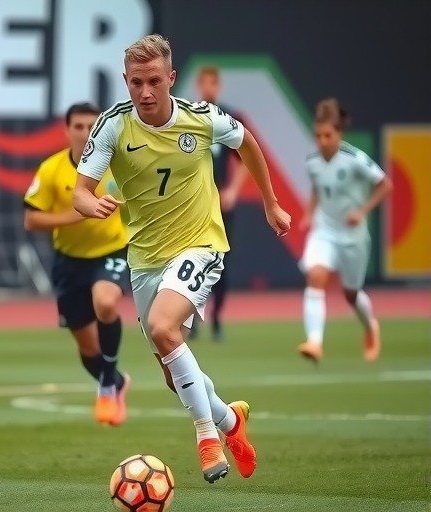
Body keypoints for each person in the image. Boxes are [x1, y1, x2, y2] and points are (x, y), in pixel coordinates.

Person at [73, 34, 291, 483]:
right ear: (126, 81)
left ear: (171, 78)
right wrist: (90, 204)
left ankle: (207, 437)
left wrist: (270, 203)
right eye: (136, 82)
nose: (145, 92)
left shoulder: (201, 118)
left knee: (162, 327)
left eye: (154, 81)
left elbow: (247, 142)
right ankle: (230, 420)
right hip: (145, 259)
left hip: (200, 244)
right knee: (174, 374)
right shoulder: (113, 125)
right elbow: (81, 191)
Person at [23, 102, 130, 426]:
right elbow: (31, 220)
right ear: (67, 130)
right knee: (87, 348)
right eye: (78, 126)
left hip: (111, 252)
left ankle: (107, 386)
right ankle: (117, 380)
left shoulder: (117, 164)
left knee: (106, 302)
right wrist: (73, 215)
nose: (85, 133)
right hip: (69, 262)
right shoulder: (51, 169)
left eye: (91, 127)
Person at [298, 98, 392, 363]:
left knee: (351, 294)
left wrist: (362, 211)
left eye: (328, 135)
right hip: (324, 231)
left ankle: (370, 326)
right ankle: (314, 342)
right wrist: (308, 214)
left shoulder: (355, 159)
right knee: (315, 276)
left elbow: (386, 185)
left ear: (339, 133)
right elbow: (317, 189)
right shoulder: (312, 162)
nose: (322, 141)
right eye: (318, 136)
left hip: (353, 237)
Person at [192, 66, 249, 340]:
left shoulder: (228, 118)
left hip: (220, 205)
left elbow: (245, 159)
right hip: (193, 205)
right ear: (198, 85)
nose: (209, 88)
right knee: (192, 259)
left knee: (220, 262)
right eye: (205, 83)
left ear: (219, 86)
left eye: (213, 83)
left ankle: (216, 320)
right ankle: (191, 318)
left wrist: (233, 191)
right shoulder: (188, 117)